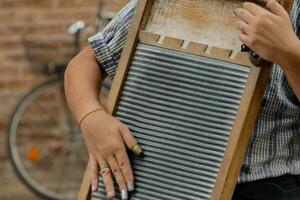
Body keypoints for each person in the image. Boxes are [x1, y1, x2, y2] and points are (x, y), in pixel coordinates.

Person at [64, 0, 300, 199]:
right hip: (151, 180)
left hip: (262, 186)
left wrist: (290, 51)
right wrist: (91, 116)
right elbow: (87, 63)